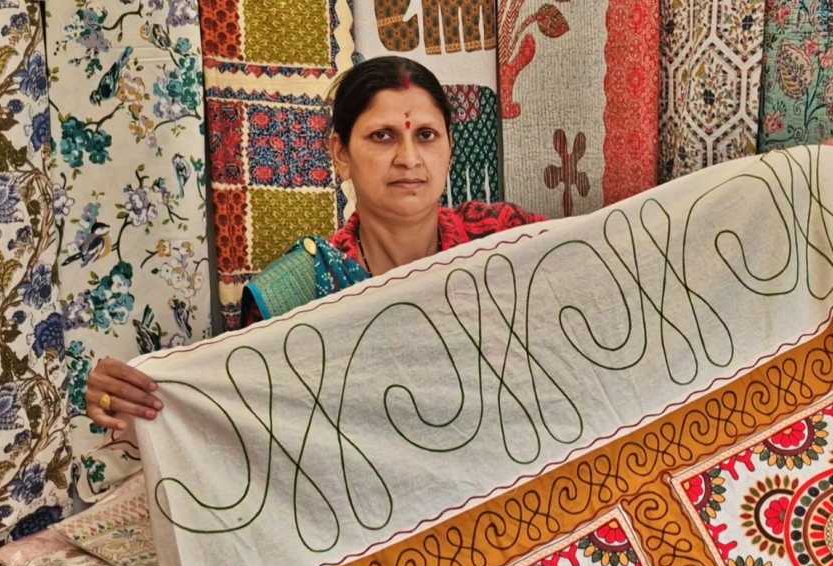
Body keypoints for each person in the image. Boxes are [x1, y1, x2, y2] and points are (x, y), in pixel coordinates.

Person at [84, 56, 546, 432]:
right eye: (383, 136)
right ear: (341, 154)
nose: (409, 158)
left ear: (449, 150)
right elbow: (241, 419)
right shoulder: (298, 291)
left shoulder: (504, 240)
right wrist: (136, 397)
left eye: (425, 136)